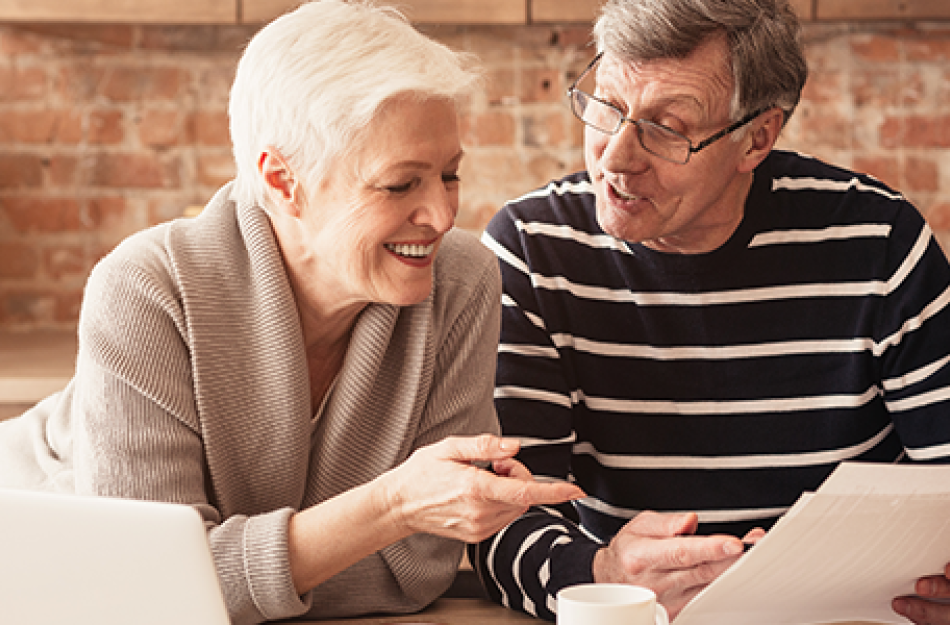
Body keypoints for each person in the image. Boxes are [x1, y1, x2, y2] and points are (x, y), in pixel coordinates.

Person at [0, 2, 583, 624]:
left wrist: (228, 566)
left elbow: (415, 573)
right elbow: (146, 593)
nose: (441, 215)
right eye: (399, 184)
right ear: (282, 182)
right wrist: (388, 509)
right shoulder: (146, 289)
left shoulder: (462, 280)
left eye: (449, 174)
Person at [470, 0, 950, 623]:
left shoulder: (879, 241)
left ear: (758, 137)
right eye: (607, 107)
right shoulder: (534, 248)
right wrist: (601, 575)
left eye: (667, 128)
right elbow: (501, 518)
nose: (616, 158)